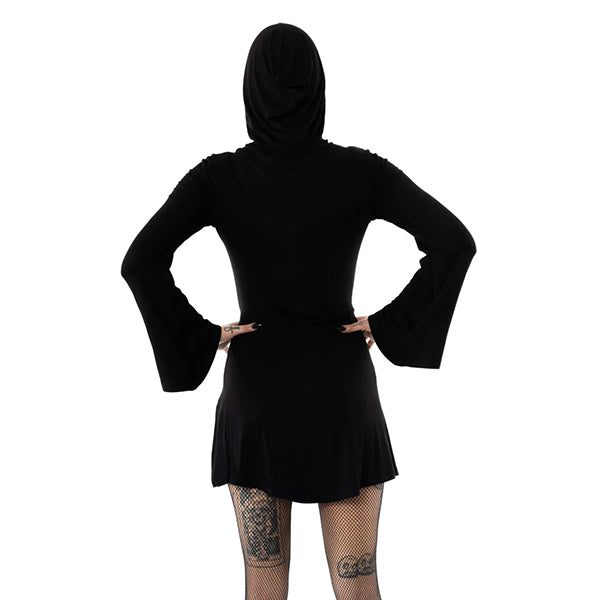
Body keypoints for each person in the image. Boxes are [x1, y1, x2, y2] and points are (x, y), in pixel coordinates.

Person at [121, 22, 476, 600]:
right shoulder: (361, 171)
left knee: (264, 586)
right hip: (342, 397)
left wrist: (204, 338)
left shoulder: (218, 178)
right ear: (318, 89)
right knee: (358, 587)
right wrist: (388, 326)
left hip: (256, 400)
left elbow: (140, 262)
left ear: (250, 91)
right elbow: (455, 243)